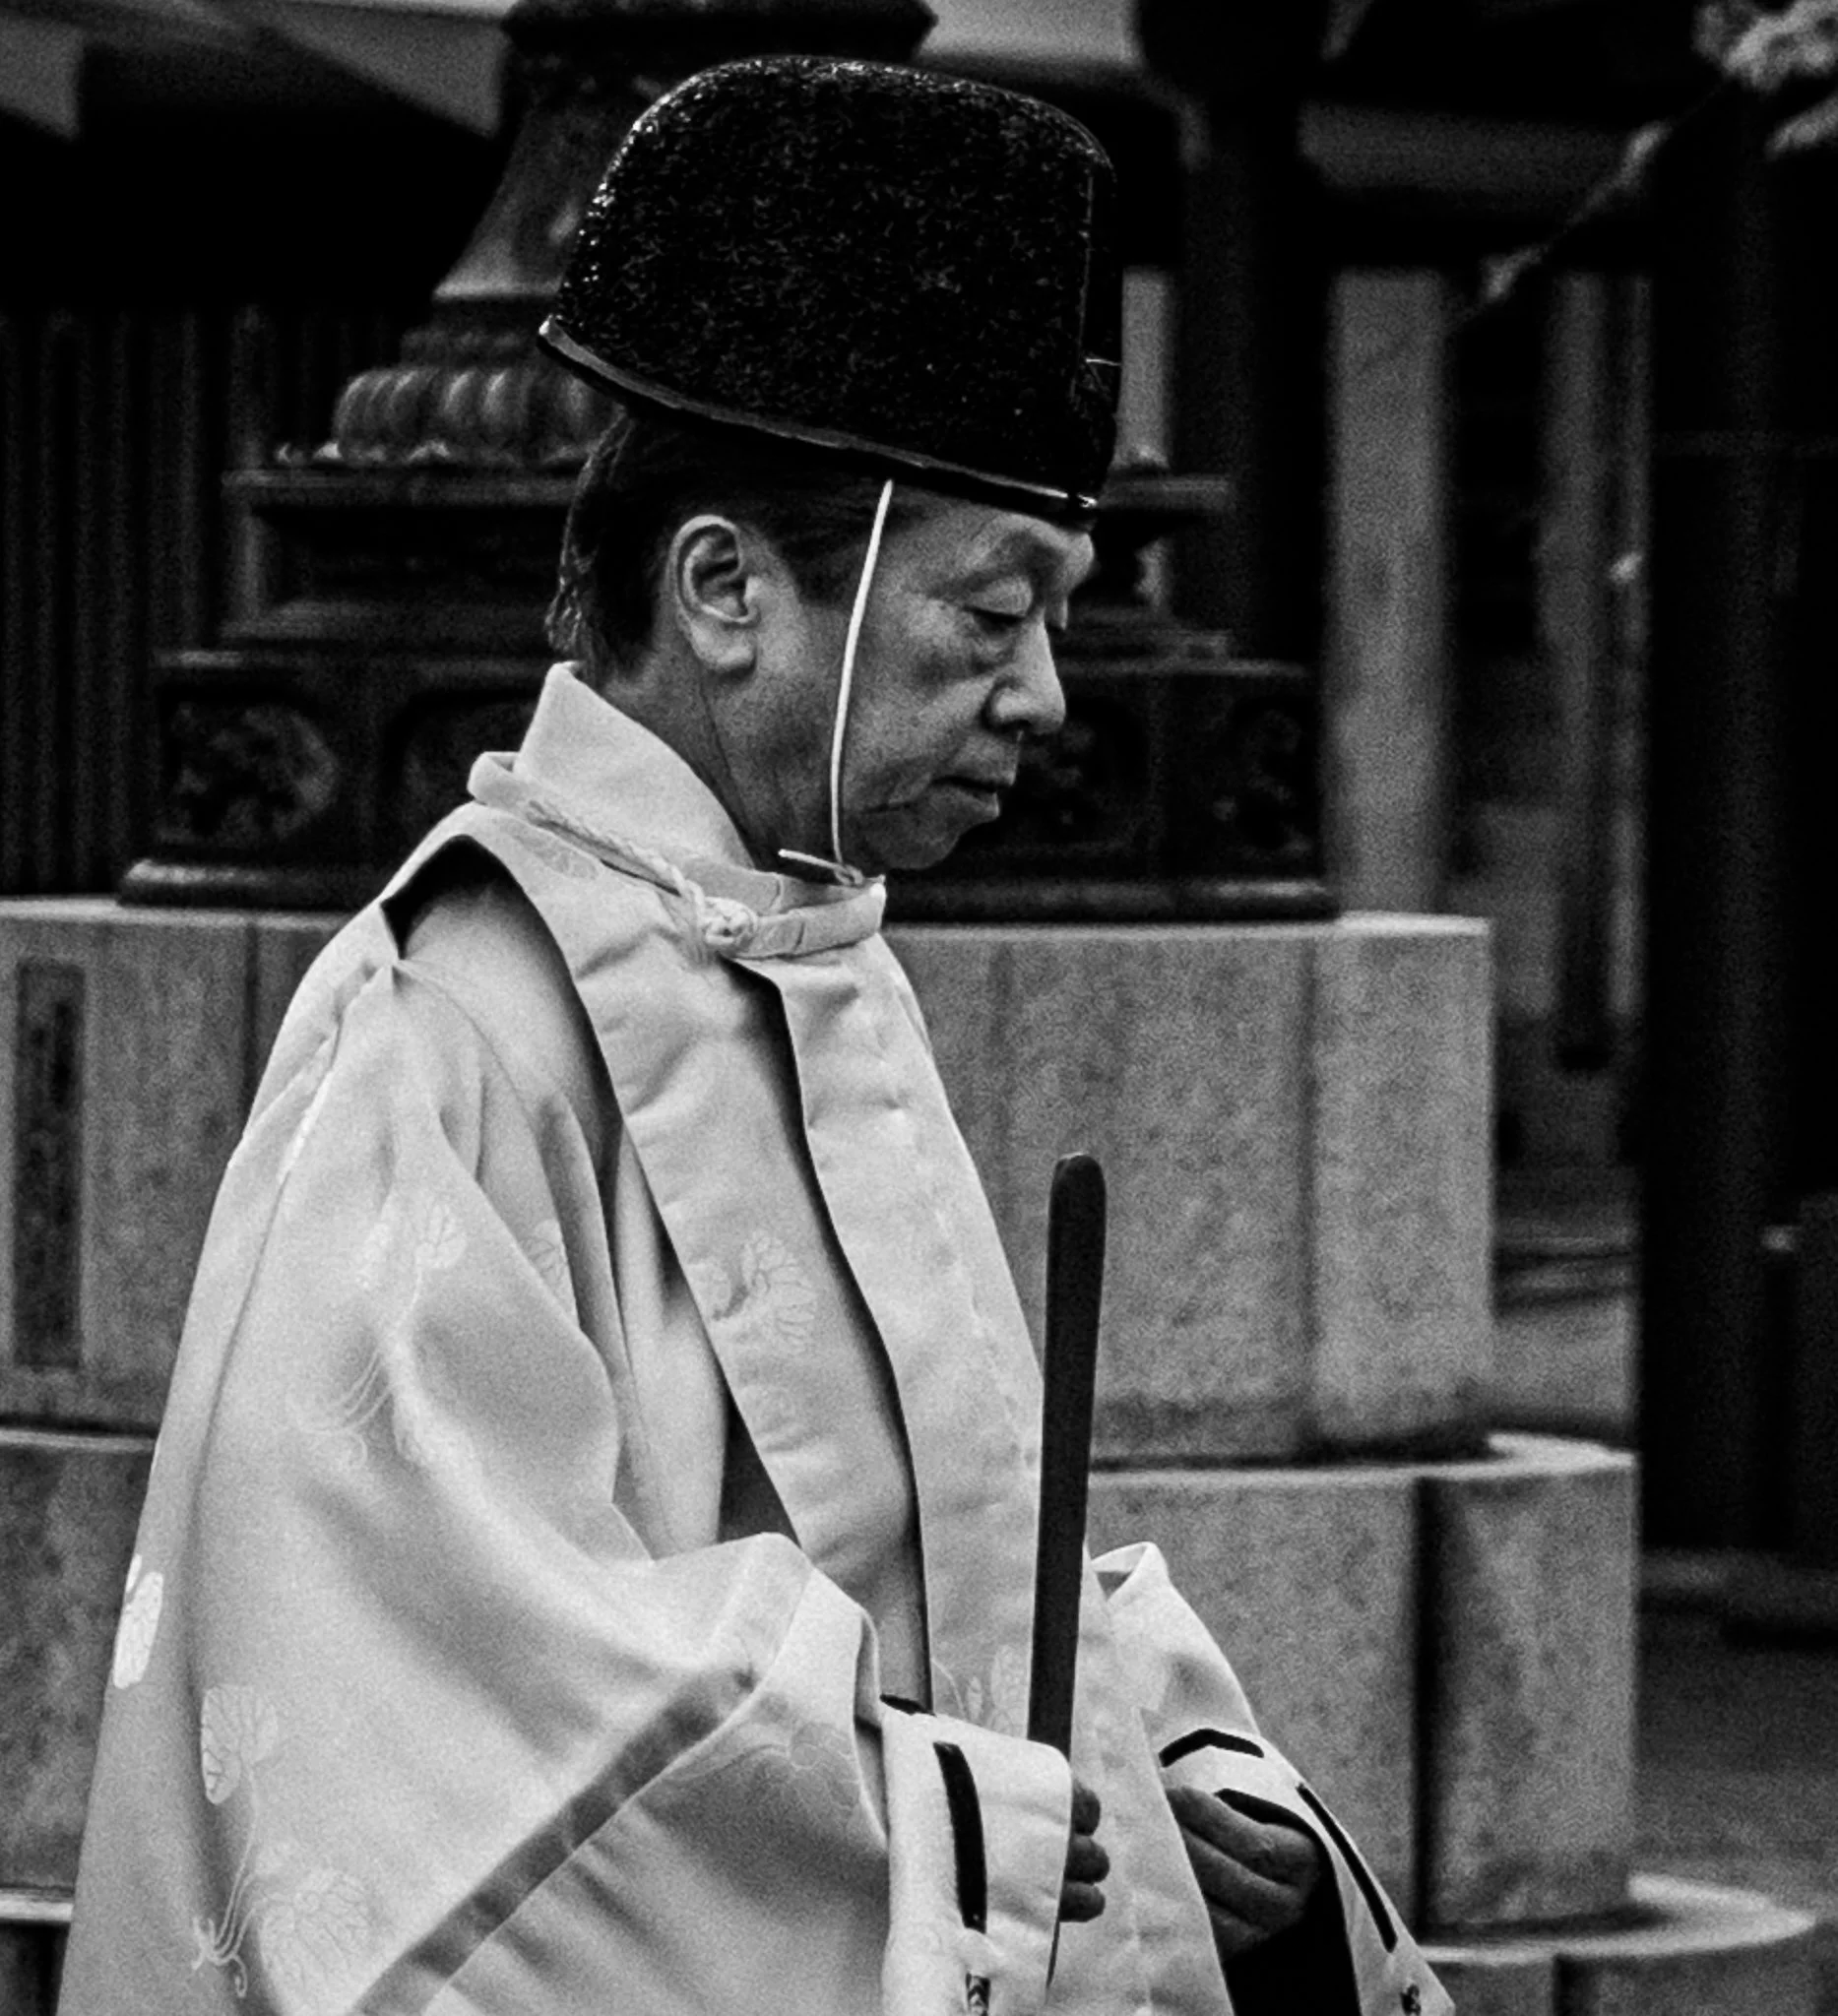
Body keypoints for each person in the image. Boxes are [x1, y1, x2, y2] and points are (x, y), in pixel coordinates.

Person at [61, 56, 1450, 2016]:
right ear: (727, 588)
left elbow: (965, 1593)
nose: (1044, 694)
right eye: (990, 615)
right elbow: (412, 1744)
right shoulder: (445, 1031)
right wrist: (953, 1832)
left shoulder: (819, 964)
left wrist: (1194, 1802)